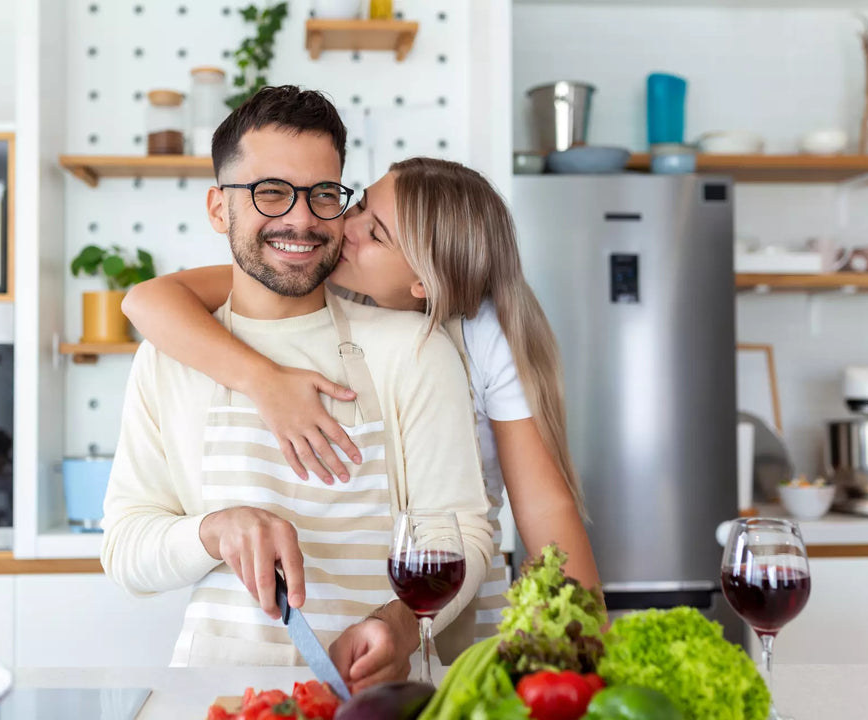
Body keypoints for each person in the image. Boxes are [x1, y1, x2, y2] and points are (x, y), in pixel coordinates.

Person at [101, 86, 493, 689]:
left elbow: (463, 534)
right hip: (221, 693)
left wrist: (401, 624)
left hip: (381, 695)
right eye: (271, 192)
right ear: (217, 209)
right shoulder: (170, 356)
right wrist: (214, 530)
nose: (301, 218)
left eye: (324, 194)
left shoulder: (411, 350)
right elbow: (125, 549)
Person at [122, 155, 604, 643]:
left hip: (450, 596)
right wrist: (262, 380)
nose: (344, 228)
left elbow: (544, 509)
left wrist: (587, 653)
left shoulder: (481, 336)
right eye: (359, 207)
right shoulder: (315, 278)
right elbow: (146, 300)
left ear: (421, 282)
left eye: (376, 235)